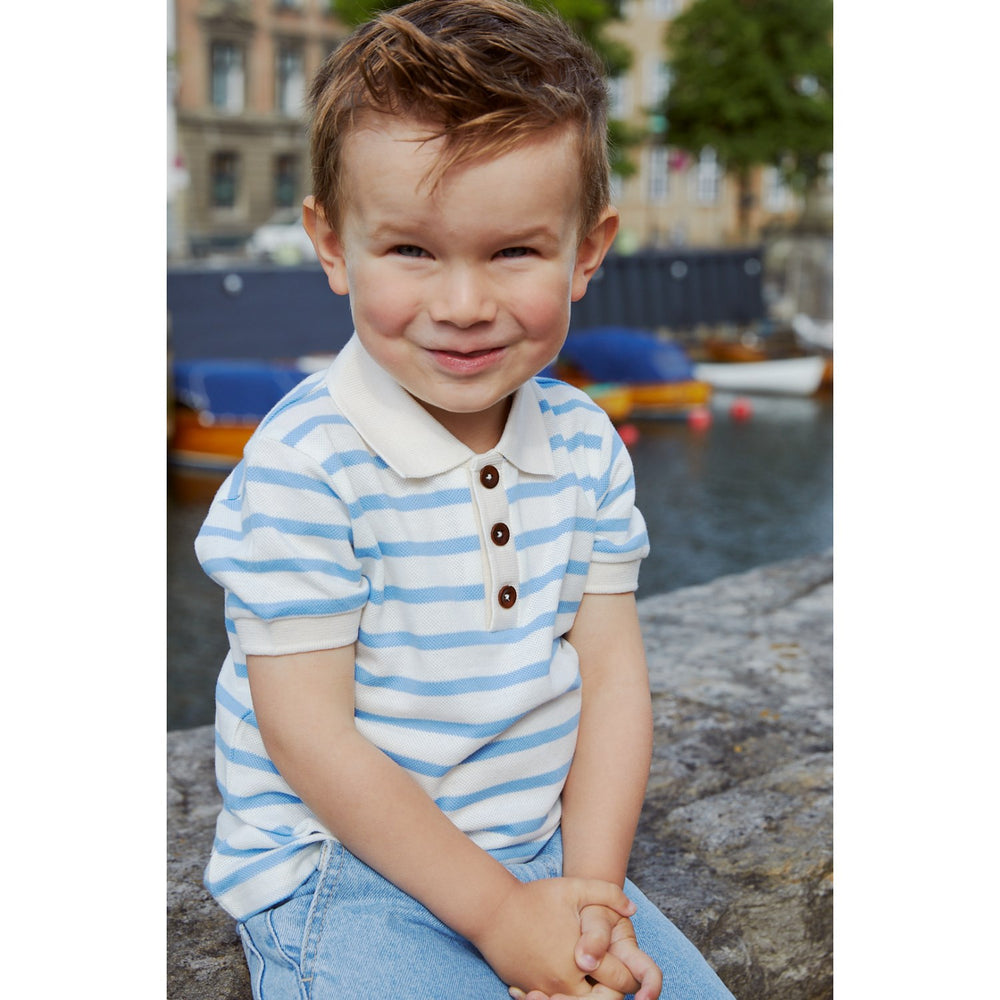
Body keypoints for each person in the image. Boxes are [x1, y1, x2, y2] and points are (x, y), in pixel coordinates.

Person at [195, 2, 737, 998]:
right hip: (341, 869)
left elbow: (613, 679)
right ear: (331, 244)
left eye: (513, 252)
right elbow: (310, 738)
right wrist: (495, 915)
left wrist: (591, 892)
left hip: (538, 845)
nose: (462, 305)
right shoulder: (306, 465)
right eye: (411, 251)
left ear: (586, 251)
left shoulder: (584, 445)